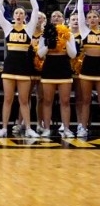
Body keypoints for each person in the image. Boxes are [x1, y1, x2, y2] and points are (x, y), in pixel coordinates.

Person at [0, 0, 40, 138]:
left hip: (23, 66)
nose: (19, 15)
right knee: (8, 99)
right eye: (17, 13)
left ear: (25, 16)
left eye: (21, 13)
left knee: (24, 100)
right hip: (10, 67)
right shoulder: (8, 27)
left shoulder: (29, 28)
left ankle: (28, 128)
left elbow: (36, 9)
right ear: (13, 16)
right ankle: (4, 128)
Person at [36, 9, 76, 138]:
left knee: (65, 101)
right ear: (50, 19)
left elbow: (73, 54)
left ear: (63, 19)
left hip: (64, 68)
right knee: (47, 101)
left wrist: (65, 41)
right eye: (54, 16)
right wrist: (48, 45)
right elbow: (40, 54)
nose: (56, 18)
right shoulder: (44, 34)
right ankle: (47, 128)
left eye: (59, 16)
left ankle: (66, 129)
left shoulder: (69, 34)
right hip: (49, 69)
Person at [75, 0, 100, 138]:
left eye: (94, 16)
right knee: (86, 100)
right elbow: (79, 12)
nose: (92, 19)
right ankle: (82, 127)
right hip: (87, 66)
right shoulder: (84, 31)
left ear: (99, 19)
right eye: (89, 17)